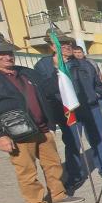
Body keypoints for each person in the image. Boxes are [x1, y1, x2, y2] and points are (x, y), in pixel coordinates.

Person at [0, 31, 83, 203]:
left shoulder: (25, 72)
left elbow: (48, 89)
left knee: (53, 164)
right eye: (0, 54)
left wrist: (60, 70)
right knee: (27, 170)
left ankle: (58, 194)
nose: (7, 56)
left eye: (9, 52)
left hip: (42, 128)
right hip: (16, 133)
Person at [34, 30, 88, 192]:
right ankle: (66, 178)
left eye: (68, 44)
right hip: (59, 109)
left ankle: (81, 173)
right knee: (62, 145)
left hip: (79, 108)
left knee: (78, 141)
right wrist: (57, 69)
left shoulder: (78, 62)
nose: (66, 47)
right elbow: (43, 89)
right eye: (61, 45)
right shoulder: (43, 65)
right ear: (52, 46)